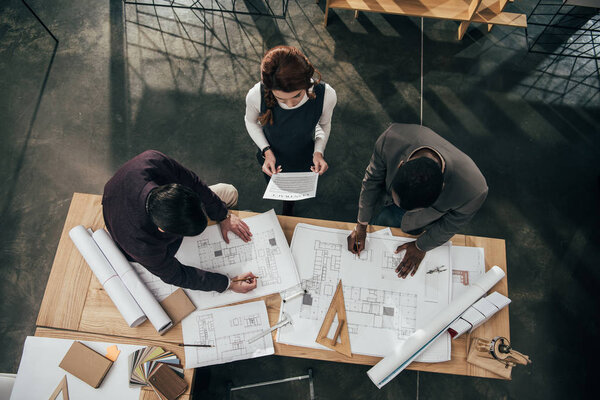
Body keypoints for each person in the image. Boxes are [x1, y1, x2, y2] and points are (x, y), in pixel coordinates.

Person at [102, 150, 257, 294]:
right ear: (163, 230)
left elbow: (194, 183)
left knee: (229, 192)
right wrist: (228, 283)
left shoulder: (153, 161)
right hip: (124, 224)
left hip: (127, 196)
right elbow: (175, 275)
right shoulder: (141, 245)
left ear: (178, 190)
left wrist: (223, 216)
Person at [347, 124, 488, 279]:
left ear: (442, 188)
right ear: (400, 165)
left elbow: (451, 224)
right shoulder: (391, 139)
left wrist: (421, 246)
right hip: (388, 201)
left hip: (424, 222)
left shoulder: (473, 191)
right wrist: (361, 225)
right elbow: (371, 181)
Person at [244, 45, 337, 216]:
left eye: (296, 96)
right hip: (272, 155)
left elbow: (324, 124)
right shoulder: (255, 94)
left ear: (306, 81)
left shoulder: (327, 95)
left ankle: (290, 202)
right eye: (281, 99)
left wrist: (318, 152)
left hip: (304, 155)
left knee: (297, 191)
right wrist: (266, 151)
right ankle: (287, 201)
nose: (291, 104)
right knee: (277, 185)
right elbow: (250, 122)